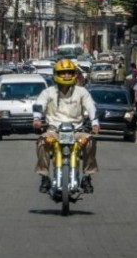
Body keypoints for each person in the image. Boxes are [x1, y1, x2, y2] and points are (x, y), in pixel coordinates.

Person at [32, 59, 100, 193]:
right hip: (54, 131)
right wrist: (37, 119)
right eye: (63, 73)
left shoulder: (82, 92)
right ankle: (44, 177)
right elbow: (39, 105)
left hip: (76, 131)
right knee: (41, 141)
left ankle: (87, 176)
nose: (67, 76)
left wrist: (95, 123)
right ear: (56, 74)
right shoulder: (48, 92)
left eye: (69, 72)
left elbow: (91, 107)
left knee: (90, 141)